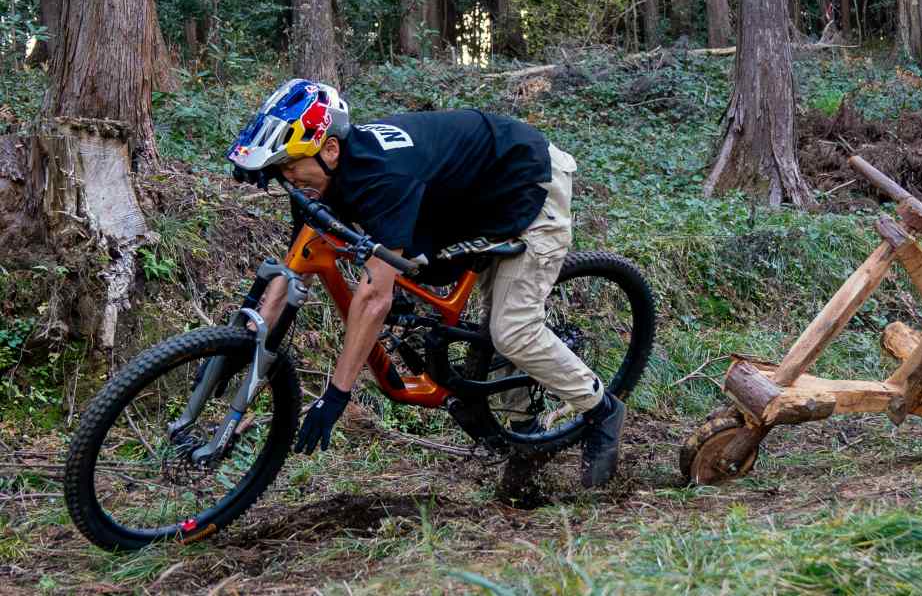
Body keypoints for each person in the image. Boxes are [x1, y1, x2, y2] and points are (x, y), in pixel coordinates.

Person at [227, 79, 625, 487]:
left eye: (292, 168)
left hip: (526, 181)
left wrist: (337, 393)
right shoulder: (316, 179)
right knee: (430, 277)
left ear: (330, 149)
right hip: (467, 198)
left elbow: (373, 298)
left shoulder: (380, 178)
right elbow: (295, 266)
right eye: (280, 173)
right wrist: (245, 346)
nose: (289, 180)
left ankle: (600, 408)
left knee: (512, 331)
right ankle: (524, 432)